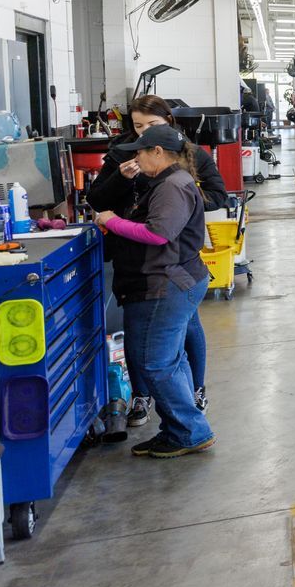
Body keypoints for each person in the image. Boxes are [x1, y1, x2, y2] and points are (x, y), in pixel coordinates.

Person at [87, 96, 228, 421]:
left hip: (170, 264)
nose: (143, 135)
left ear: (168, 124)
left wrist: (178, 202)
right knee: (143, 338)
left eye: (151, 127)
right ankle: (144, 396)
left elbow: (213, 198)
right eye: (137, 127)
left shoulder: (185, 164)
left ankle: (193, 393)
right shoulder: (124, 152)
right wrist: (121, 178)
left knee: (168, 340)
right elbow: (96, 198)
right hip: (135, 258)